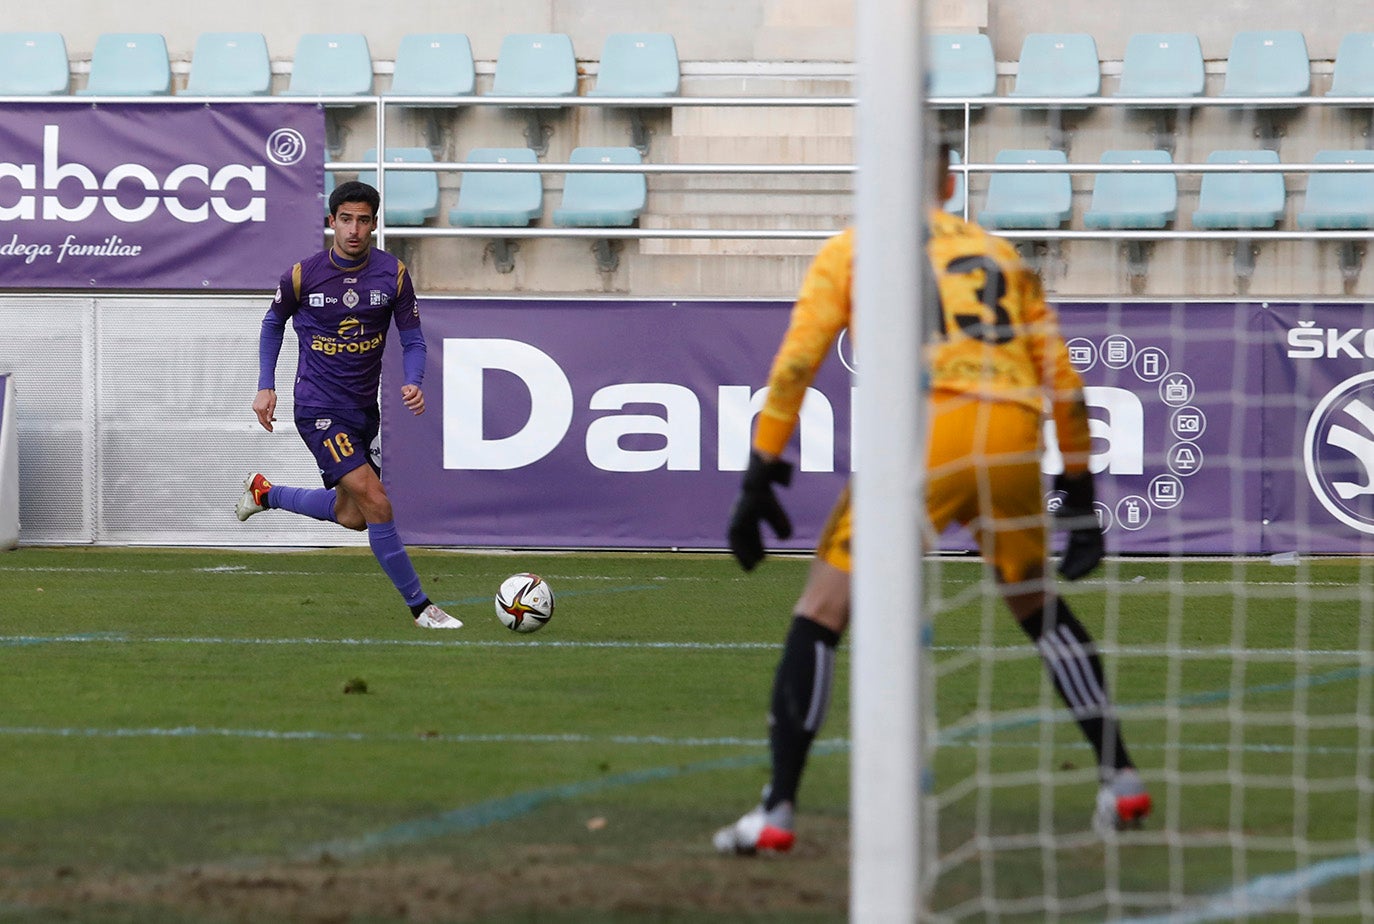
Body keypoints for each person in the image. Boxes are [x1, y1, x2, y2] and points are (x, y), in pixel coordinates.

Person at [713, 144, 1151, 854]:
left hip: (927, 430)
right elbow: (1063, 377)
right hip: (1012, 433)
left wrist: (761, 469)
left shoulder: (853, 249)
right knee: (1036, 605)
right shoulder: (998, 252)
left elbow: (797, 360)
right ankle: (1121, 777)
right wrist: (1077, 489)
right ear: (949, 182)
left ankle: (777, 812)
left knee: (821, 611)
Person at [235, 180, 462, 630]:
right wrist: (266, 384)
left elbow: (413, 338)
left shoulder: (392, 274)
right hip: (317, 407)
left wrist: (414, 380)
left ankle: (266, 493)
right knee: (377, 502)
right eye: (346, 220)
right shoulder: (303, 274)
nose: (354, 230)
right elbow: (272, 323)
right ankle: (422, 607)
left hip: (363, 411)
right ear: (331, 222)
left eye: (363, 221)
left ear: (374, 225)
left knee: (353, 515)